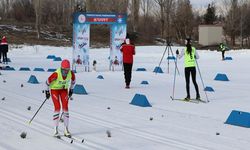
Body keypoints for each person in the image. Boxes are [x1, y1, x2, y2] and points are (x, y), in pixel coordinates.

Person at [45, 59, 76, 137]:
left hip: (63, 90)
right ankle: (55, 130)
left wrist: (71, 89)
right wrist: (47, 92)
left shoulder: (71, 74)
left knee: (65, 108)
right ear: (61, 68)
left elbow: (73, 81)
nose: (66, 72)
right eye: (64, 70)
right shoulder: (56, 74)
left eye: (67, 70)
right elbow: (47, 82)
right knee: (57, 107)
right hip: (54, 90)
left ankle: (66, 129)